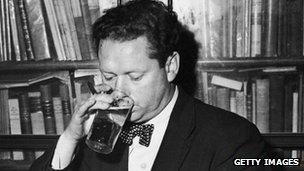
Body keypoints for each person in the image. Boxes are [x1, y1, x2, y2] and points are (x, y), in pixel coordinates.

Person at [30, 0, 271, 170]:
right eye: (109, 76)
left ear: (170, 67)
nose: (119, 91)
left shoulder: (233, 138)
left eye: (135, 76)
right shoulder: (97, 132)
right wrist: (71, 138)